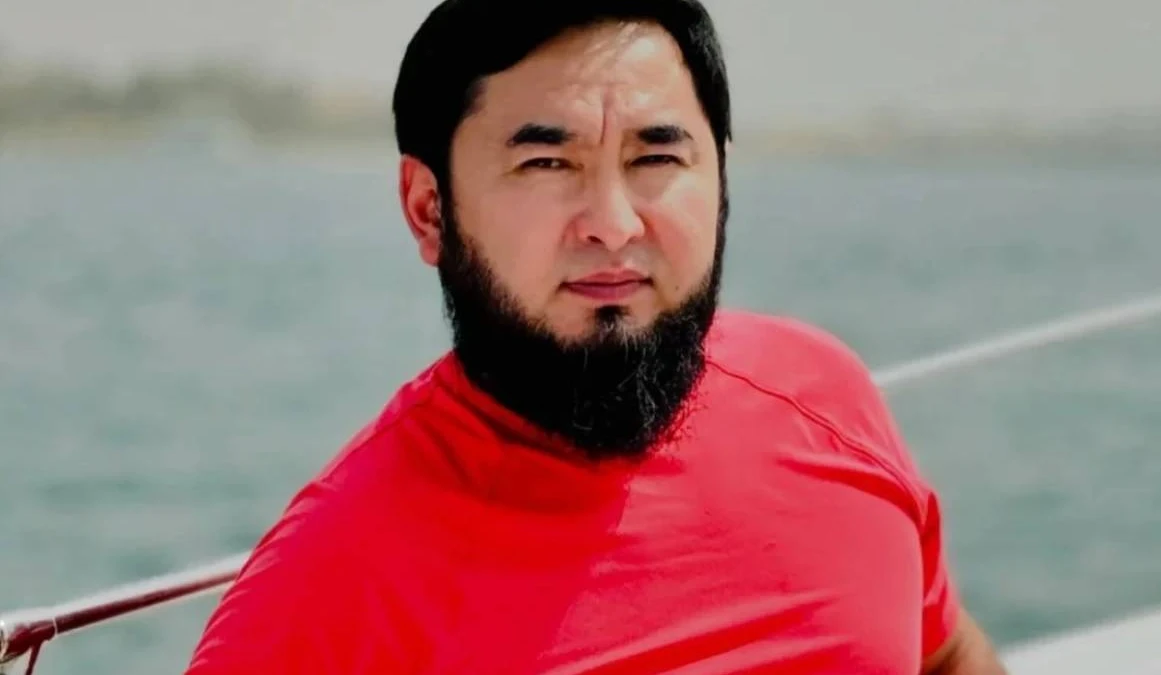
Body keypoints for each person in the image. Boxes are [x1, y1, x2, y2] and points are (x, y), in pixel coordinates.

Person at [184, 0, 1008, 672]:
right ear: (429, 210)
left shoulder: (825, 396)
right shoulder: (330, 589)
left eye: (656, 158)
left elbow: (944, 653)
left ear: (721, 178)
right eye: (547, 164)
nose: (613, 225)